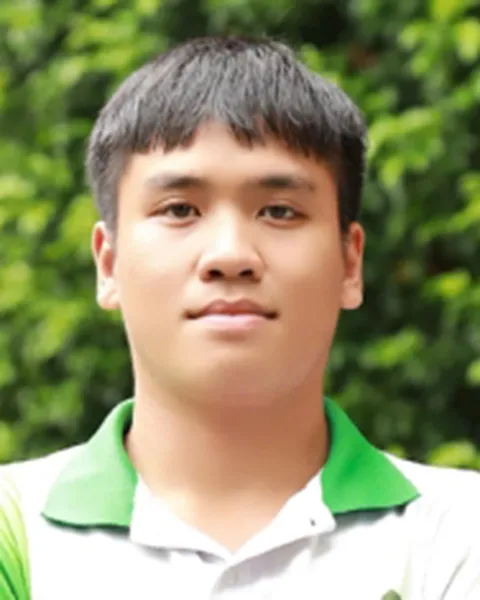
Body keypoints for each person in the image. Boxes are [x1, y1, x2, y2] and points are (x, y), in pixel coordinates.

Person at [0, 36, 478, 600]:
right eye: (180, 210)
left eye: (279, 211)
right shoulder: (14, 530)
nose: (229, 254)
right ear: (109, 263)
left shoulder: (459, 535)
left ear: (350, 263)